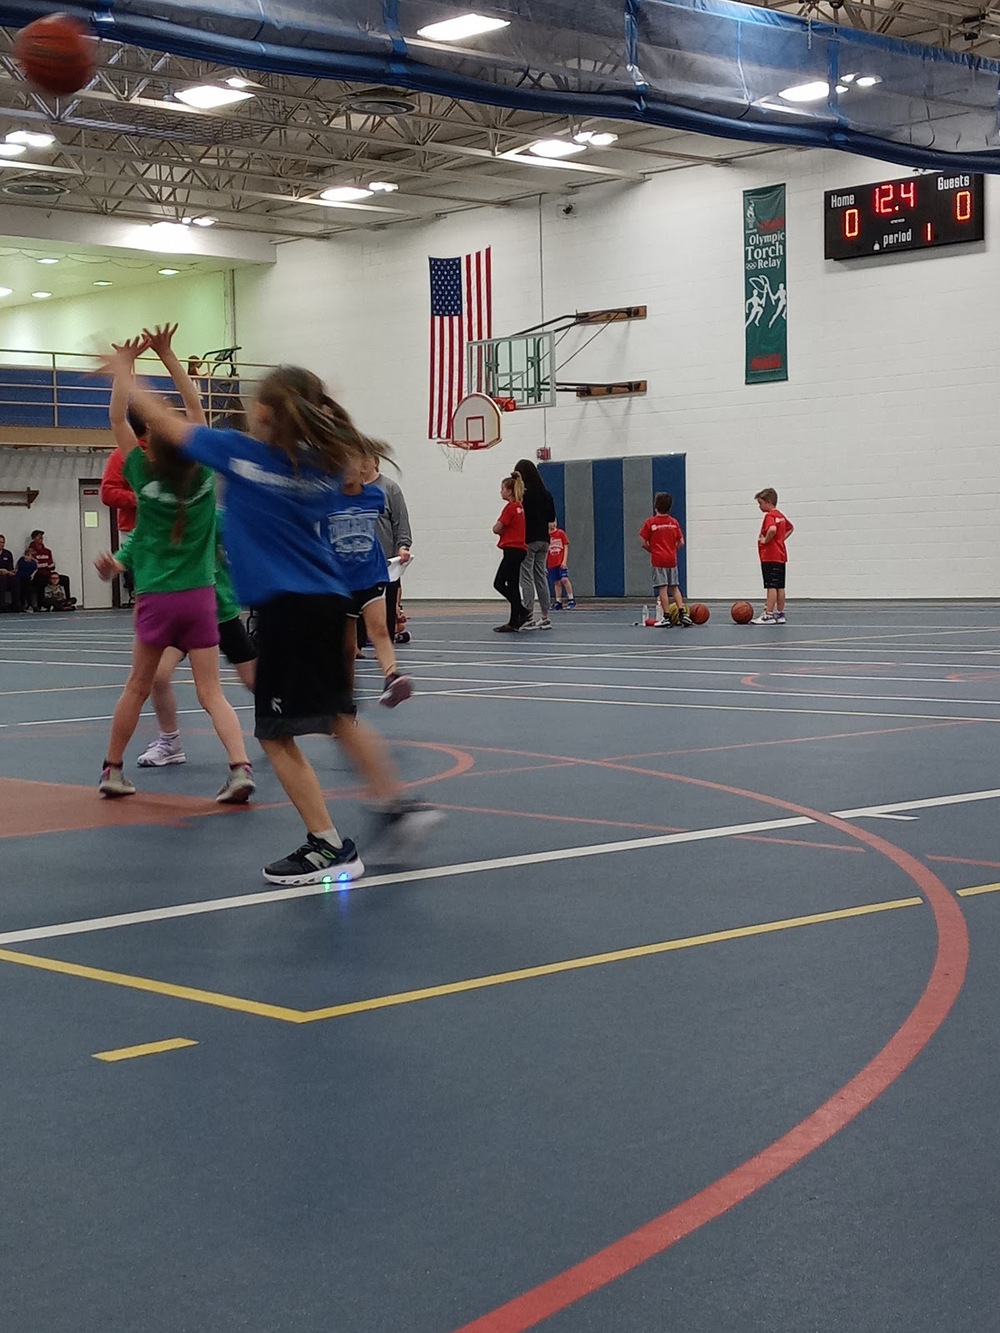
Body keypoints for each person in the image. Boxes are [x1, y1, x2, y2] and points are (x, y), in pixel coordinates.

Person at [109, 353, 439, 886]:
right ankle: (402, 805)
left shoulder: (242, 455)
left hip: (288, 610)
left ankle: (327, 845)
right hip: (332, 605)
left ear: (263, 413)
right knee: (337, 718)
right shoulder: (324, 465)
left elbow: (168, 424)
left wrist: (124, 376)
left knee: (275, 735)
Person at [94, 332, 254, 804]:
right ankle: (239, 766)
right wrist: (167, 355)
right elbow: (195, 408)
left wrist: (125, 367)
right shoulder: (204, 474)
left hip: (157, 597)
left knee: (138, 686)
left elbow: (116, 417)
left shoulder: (140, 472)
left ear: (148, 447)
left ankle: (113, 769)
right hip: (200, 597)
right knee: (212, 692)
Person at [114, 515, 258, 767]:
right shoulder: (156, 518)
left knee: (252, 680)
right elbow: (139, 555)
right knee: (158, 675)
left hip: (220, 612)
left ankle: (276, 720)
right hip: (179, 614)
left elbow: (246, 541)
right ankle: (170, 741)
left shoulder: (213, 518)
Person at [328, 448, 414, 708]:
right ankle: (346, 702)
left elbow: (390, 523)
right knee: (347, 649)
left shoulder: (375, 495)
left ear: (364, 469)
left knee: (378, 629)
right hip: (341, 580)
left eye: (352, 465)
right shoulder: (327, 499)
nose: (346, 471)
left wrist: (402, 546)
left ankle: (391, 677)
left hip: (371, 574)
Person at [369, 457, 412, 645]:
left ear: (375, 461)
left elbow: (400, 520)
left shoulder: (389, 488)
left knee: (388, 600)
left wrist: (403, 545)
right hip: (360, 559)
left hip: (387, 559)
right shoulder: (350, 488)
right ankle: (360, 640)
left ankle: (388, 635)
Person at [514, 458, 556, 630]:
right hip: (544, 539)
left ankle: (528, 614)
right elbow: (551, 518)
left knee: (526, 577)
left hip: (529, 539)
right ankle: (545, 616)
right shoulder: (546, 493)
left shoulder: (524, 495)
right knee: (541, 577)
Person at [639, 493, 692, 627]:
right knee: (674, 587)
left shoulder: (650, 522)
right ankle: (683, 613)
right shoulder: (673, 522)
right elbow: (681, 542)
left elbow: (643, 542)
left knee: (662, 588)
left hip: (658, 559)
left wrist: (654, 550)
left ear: (655, 505)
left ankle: (667, 616)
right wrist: (672, 550)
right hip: (671, 559)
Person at [493, 472, 528, 633]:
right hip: (519, 549)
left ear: (508, 491)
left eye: (502, 489)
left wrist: (498, 529)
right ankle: (514, 622)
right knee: (513, 585)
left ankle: (522, 610)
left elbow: (497, 528)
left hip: (512, 549)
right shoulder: (520, 507)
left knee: (499, 583)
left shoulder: (510, 508)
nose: (500, 492)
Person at [754, 486, 794, 624]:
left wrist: (766, 540)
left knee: (771, 585)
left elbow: (772, 529)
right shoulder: (780, 516)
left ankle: (769, 614)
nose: (760, 506)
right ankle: (780, 613)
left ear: (768, 501)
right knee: (780, 586)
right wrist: (780, 539)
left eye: (761, 503)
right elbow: (791, 528)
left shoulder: (770, 516)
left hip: (770, 555)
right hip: (781, 555)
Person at [546, 524, 575, 610]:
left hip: (560, 561)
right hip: (551, 562)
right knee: (556, 582)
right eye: (551, 522)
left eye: (554, 522)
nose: (553, 524)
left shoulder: (560, 533)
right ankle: (558, 601)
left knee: (564, 579)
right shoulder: (547, 536)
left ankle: (571, 599)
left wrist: (564, 561)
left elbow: (565, 547)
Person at [0, 535, 19, 612]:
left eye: (3, 542)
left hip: (7, 574)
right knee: (2, 580)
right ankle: (1, 606)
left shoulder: (8, 553)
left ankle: (16, 606)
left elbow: (10, 568)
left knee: (15, 580)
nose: (1, 544)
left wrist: (11, 572)